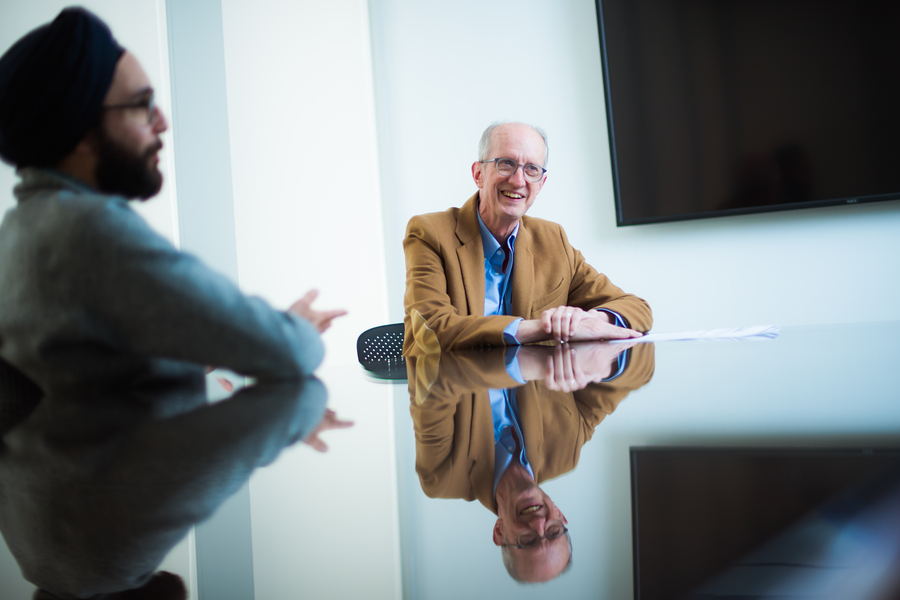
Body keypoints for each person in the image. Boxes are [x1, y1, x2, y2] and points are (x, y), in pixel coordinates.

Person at [0, 7, 344, 400]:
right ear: (80, 133)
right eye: (141, 104)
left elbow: (98, 383)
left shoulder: (21, 231)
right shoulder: (89, 229)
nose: (161, 121)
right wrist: (295, 328)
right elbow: (285, 352)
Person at [408, 342, 656, 582]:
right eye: (553, 532)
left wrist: (532, 363)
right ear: (560, 516)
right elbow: (641, 357)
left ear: (499, 532)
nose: (538, 524)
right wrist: (595, 358)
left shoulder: (442, 477)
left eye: (528, 540)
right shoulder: (565, 450)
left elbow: (433, 377)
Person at [403, 121, 652, 355]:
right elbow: (432, 329)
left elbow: (636, 307)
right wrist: (545, 328)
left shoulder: (553, 240)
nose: (518, 180)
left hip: (533, 394)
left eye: (531, 169)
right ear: (478, 173)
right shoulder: (429, 233)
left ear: (541, 183)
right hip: (457, 393)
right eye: (506, 163)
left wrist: (592, 320)